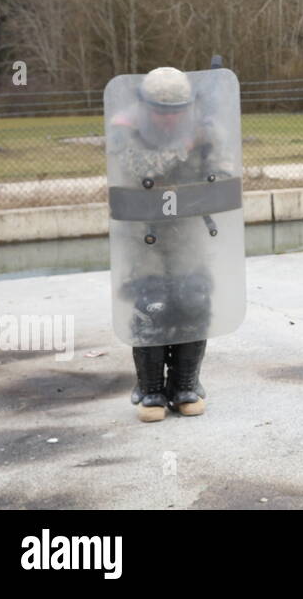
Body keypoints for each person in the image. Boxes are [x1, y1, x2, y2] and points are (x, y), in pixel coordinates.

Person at [105, 66, 244, 422]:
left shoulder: (205, 127)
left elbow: (224, 174)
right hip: (142, 233)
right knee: (151, 301)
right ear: (145, 105)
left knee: (193, 298)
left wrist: (211, 147)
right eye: (161, 112)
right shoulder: (124, 128)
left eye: (177, 112)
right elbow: (142, 169)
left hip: (188, 228)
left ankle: (185, 384)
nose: (169, 120)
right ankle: (150, 389)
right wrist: (186, 145)